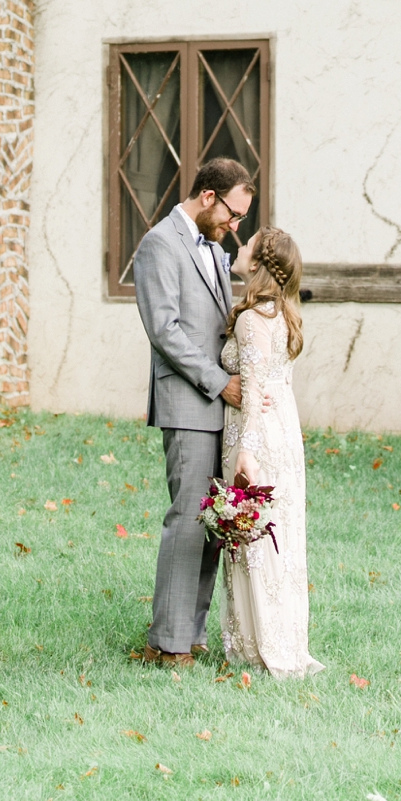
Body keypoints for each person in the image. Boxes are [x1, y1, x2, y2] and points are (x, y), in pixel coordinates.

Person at [132, 156, 255, 667]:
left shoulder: (214, 248)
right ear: (208, 197)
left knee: (213, 523)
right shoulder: (159, 245)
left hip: (220, 404)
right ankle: (168, 644)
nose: (235, 225)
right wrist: (219, 381)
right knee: (187, 519)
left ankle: (191, 634)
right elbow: (165, 331)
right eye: (233, 214)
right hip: (189, 401)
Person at [220, 227, 323, 680]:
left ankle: (259, 646)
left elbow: (255, 385)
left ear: (258, 264)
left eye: (248, 245)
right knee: (277, 539)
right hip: (283, 430)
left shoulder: (249, 320)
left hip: (255, 435)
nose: (239, 248)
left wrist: (247, 453)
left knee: (253, 539)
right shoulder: (282, 315)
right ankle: (281, 639)